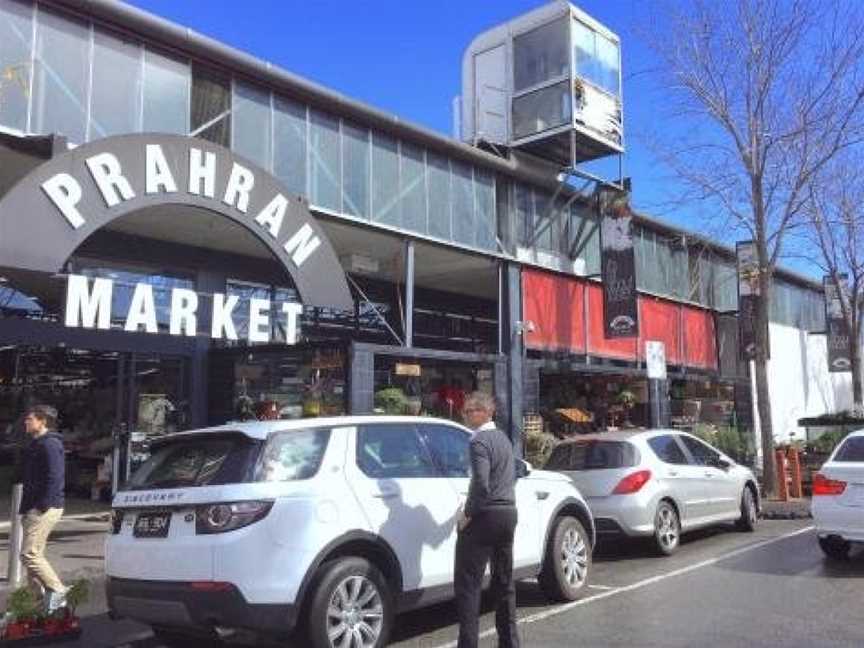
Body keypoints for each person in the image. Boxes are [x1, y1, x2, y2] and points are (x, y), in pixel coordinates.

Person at [454, 391, 520, 648]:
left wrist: (467, 515)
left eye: (470, 411)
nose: (466, 415)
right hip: (508, 514)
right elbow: (509, 474)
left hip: (485, 516)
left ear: (486, 412)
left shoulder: (478, 441)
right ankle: (510, 643)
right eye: (466, 411)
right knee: (504, 583)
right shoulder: (503, 439)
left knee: (469, 587)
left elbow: (481, 484)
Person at [19, 405, 67, 611]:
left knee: (29, 555)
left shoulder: (50, 444)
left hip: (44, 508)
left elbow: (54, 477)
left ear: (42, 421)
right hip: (33, 507)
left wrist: (42, 506)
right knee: (33, 562)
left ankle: (58, 590)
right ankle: (40, 607)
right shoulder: (36, 444)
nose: (26, 422)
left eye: (30, 419)